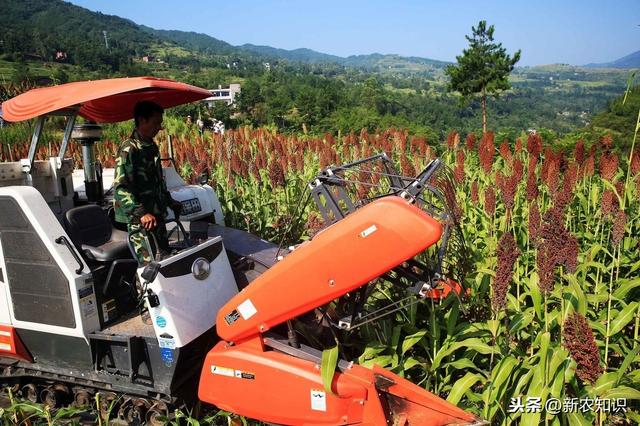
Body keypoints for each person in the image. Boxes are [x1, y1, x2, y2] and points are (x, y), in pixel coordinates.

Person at [113, 100, 181, 264]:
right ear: (142, 120)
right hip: (140, 220)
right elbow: (121, 188)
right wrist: (142, 212)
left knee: (164, 261)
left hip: (156, 216)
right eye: (156, 122)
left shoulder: (151, 146)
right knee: (148, 266)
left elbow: (158, 181)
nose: (159, 127)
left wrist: (170, 202)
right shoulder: (129, 149)